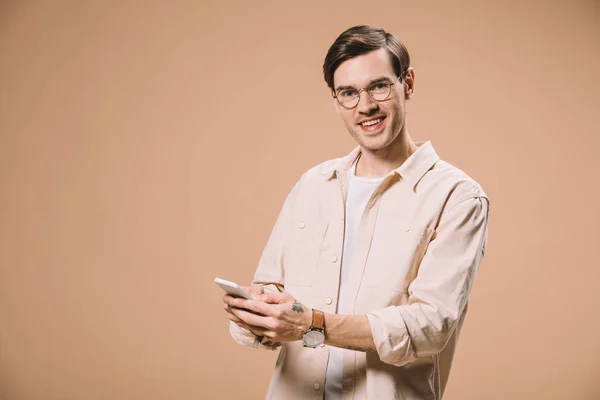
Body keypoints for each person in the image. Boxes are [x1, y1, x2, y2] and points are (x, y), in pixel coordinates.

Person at [222, 25, 490, 400]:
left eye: (379, 86)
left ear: (407, 84)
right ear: (336, 101)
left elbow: (431, 326)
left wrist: (310, 324)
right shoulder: (313, 184)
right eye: (349, 93)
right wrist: (256, 314)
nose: (365, 106)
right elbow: (275, 289)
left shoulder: (457, 197)